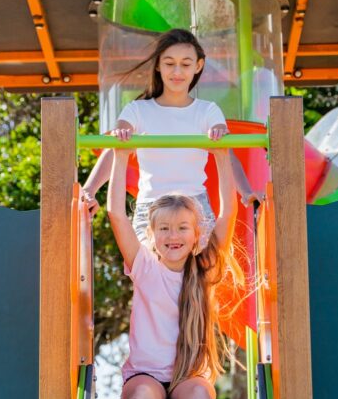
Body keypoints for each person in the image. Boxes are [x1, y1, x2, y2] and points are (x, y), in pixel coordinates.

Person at [99, 141, 239, 399]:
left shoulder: (203, 270)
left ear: (196, 236)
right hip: (145, 375)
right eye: (164, 229)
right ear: (153, 235)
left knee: (199, 397)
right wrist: (119, 155)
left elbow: (228, 215)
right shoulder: (144, 268)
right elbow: (116, 213)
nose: (172, 236)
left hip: (186, 376)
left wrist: (221, 157)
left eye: (181, 228)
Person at [80, 28, 261, 245]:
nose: (177, 71)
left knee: (198, 274)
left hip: (194, 206)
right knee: (152, 271)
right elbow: (115, 148)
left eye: (185, 64)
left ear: (198, 66)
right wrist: (88, 190)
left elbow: (227, 153)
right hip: (151, 206)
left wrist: (247, 191)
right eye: (169, 63)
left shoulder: (207, 111)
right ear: (158, 65)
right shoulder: (138, 110)